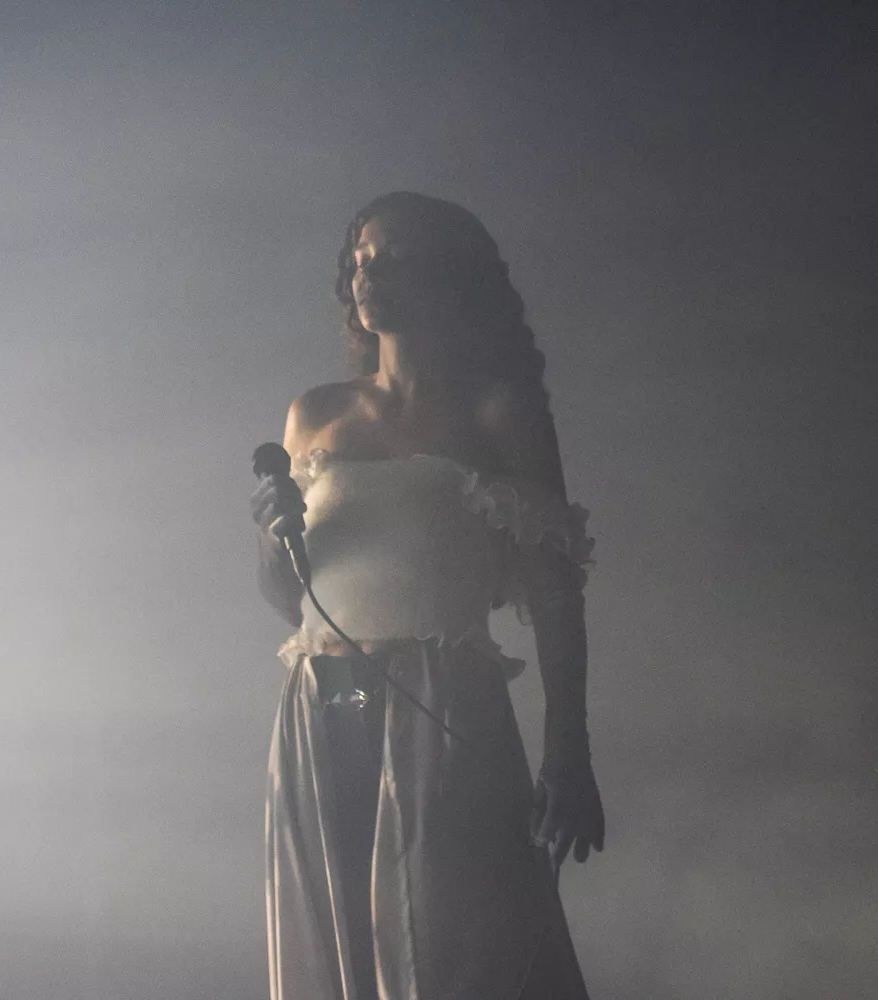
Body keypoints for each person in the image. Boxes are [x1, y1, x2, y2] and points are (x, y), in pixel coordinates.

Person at [249, 192, 603, 1000]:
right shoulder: (315, 413)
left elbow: (556, 594)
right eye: (361, 260)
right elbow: (289, 600)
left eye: (395, 258)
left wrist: (569, 752)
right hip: (321, 705)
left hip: (444, 706)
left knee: (458, 951)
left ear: (448, 275)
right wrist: (271, 534)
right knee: (338, 938)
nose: (370, 275)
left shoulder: (497, 413)